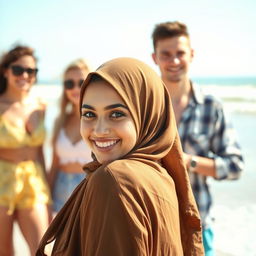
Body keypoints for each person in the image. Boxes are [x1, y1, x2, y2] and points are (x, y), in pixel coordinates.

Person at [36, 57, 204, 255]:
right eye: (89, 114)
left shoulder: (115, 180)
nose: (99, 130)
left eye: (116, 114)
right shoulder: (161, 175)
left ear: (146, 115)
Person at [151, 21, 244, 255]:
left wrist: (187, 161)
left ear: (191, 55)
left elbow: (235, 166)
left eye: (180, 53)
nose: (173, 61)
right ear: (154, 58)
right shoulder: (145, 107)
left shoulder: (212, 107)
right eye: (166, 54)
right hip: (152, 225)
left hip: (198, 225)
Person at [0, 45, 51, 256]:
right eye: (18, 69)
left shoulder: (40, 106)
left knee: (41, 249)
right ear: (6, 71)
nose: (25, 75)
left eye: (31, 71)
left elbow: (39, 152)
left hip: (34, 181)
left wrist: (47, 192)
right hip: (2, 182)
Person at [48, 59, 92, 213]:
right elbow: (54, 165)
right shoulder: (60, 121)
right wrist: (47, 200)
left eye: (81, 82)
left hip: (90, 189)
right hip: (61, 190)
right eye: (69, 83)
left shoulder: (100, 119)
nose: (75, 88)